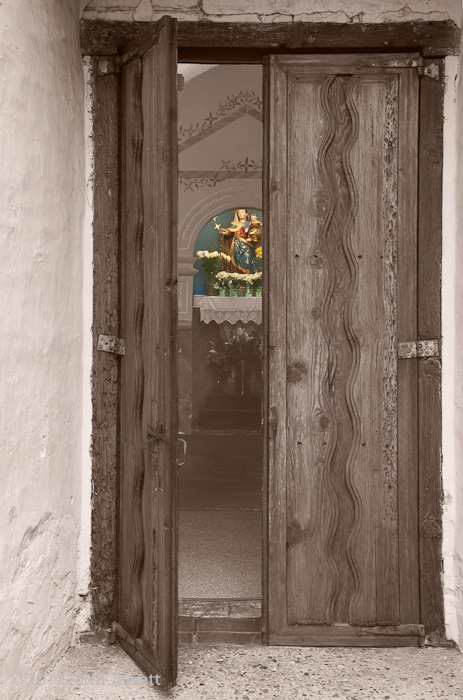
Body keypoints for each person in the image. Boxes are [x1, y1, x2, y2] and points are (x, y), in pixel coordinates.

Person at [220, 208, 261, 274]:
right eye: (239, 212)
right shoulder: (233, 224)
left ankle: (248, 281)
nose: (241, 214)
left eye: (242, 212)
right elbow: (230, 233)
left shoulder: (250, 223)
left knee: (247, 261)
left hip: (247, 246)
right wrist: (226, 233)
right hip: (235, 247)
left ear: (246, 214)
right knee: (234, 262)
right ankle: (236, 280)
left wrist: (254, 234)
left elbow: (255, 233)